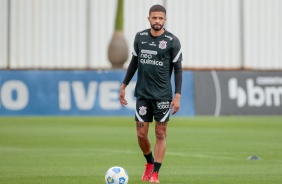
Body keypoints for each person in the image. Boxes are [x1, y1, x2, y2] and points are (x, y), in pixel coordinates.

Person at [119, 4, 182, 183]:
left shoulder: (172, 41)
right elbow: (133, 63)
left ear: (165, 19)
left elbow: (178, 70)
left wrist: (177, 95)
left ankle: (155, 173)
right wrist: (124, 85)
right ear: (149, 19)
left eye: (160, 18)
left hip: (163, 95)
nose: (157, 21)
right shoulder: (140, 37)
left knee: (160, 134)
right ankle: (149, 162)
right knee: (141, 135)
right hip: (143, 95)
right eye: (154, 18)